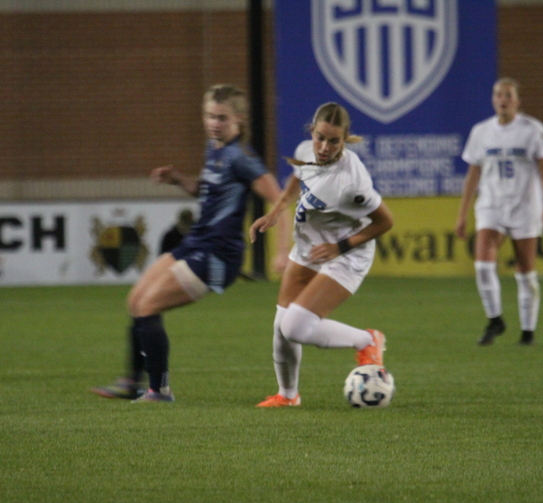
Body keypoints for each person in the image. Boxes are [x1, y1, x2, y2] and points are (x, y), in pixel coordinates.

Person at [92, 84, 289, 402]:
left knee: (148, 307)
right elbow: (207, 190)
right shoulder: (215, 149)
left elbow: (280, 201)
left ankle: (159, 390)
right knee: (135, 300)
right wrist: (180, 180)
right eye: (210, 116)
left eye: (222, 118)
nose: (214, 123)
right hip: (196, 241)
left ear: (239, 119)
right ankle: (132, 381)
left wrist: (282, 252)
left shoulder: (242, 158)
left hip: (218, 255)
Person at [249, 102, 394, 407]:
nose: (324, 147)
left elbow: (385, 222)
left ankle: (367, 340)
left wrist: (339, 247)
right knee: (281, 326)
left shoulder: (352, 183)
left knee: (295, 327)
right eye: (319, 137)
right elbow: (296, 179)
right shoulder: (305, 149)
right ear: (311, 132)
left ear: (345, 139)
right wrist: (275, 212)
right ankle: (288, 396)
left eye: (333, 141)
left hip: (345, 255)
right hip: (310, 247)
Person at [455, 77, 543, 346]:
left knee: (525, 273)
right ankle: (495, 319)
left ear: (517, 101)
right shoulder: (481, 131)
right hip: (491, 206)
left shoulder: (532, 130)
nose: (503, 99)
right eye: (498, 94)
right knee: (483, 266)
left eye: (508, 95)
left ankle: (528, 331)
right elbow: (473, 174)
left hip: (525, 207)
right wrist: (462, 214)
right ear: (493, 100)